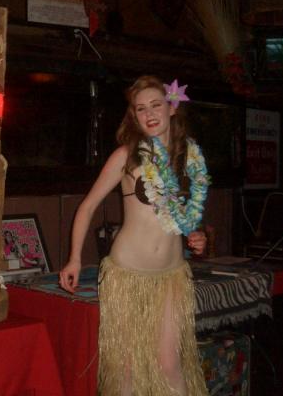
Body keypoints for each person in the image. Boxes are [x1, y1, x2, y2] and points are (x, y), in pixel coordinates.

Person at [59, 75, 209, 396]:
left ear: (172, 108)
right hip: (128, 274)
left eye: (156, 105)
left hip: (172, 275)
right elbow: (87, 207)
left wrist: (196, 235)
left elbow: (185, 216)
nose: (149, 114)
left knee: (169, 365)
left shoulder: (189, 158)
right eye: (141, 109)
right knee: (126, 368)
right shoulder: (126, 156)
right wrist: (74, 259)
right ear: (135, 116)